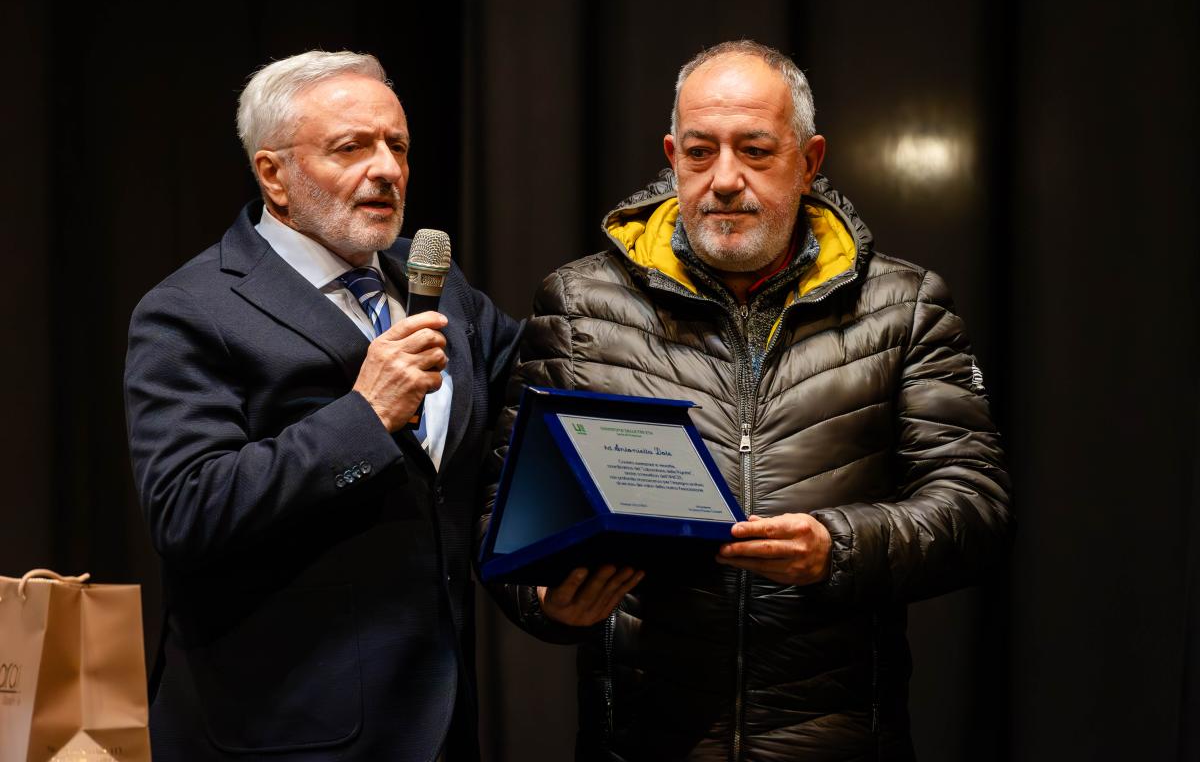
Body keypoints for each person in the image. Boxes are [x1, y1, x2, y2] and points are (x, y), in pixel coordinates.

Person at [482, 40, 1013, 760]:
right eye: (700, 152)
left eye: (755, 151)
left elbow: (976, 507)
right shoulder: (579, 304)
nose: (725, 179)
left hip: (836, 739)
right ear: (672, 156)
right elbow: (504, 512)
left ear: (809, 160)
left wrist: (838, 548)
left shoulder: (905, 306)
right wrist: (546, 602)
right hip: (644, 742)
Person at [124, 50, 521, 761]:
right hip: (282, 734)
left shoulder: (438, 285)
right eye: (351, 147)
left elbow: (537, 388)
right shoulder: (190, 309)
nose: (388, 169)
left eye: (397, 145)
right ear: (273, 174)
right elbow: (187, 509)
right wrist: (364, 416)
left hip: (438, 726)